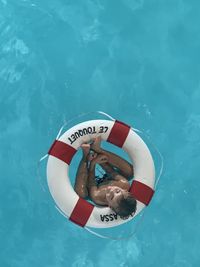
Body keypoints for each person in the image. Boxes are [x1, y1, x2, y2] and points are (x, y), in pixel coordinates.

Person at [74, 136, 137, 219]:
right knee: (130, 172)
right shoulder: (124, 184)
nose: (111, 190)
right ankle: (98, 149)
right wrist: (100, 160)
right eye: (117, 191)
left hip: (93, 186)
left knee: (81, 193)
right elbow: (111, 172)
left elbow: (91, 182)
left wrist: (92, 164)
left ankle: (85, 155)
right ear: (125, 191)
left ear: (110, 206)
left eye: (111, 197)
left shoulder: (97, 197)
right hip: (109, 177)